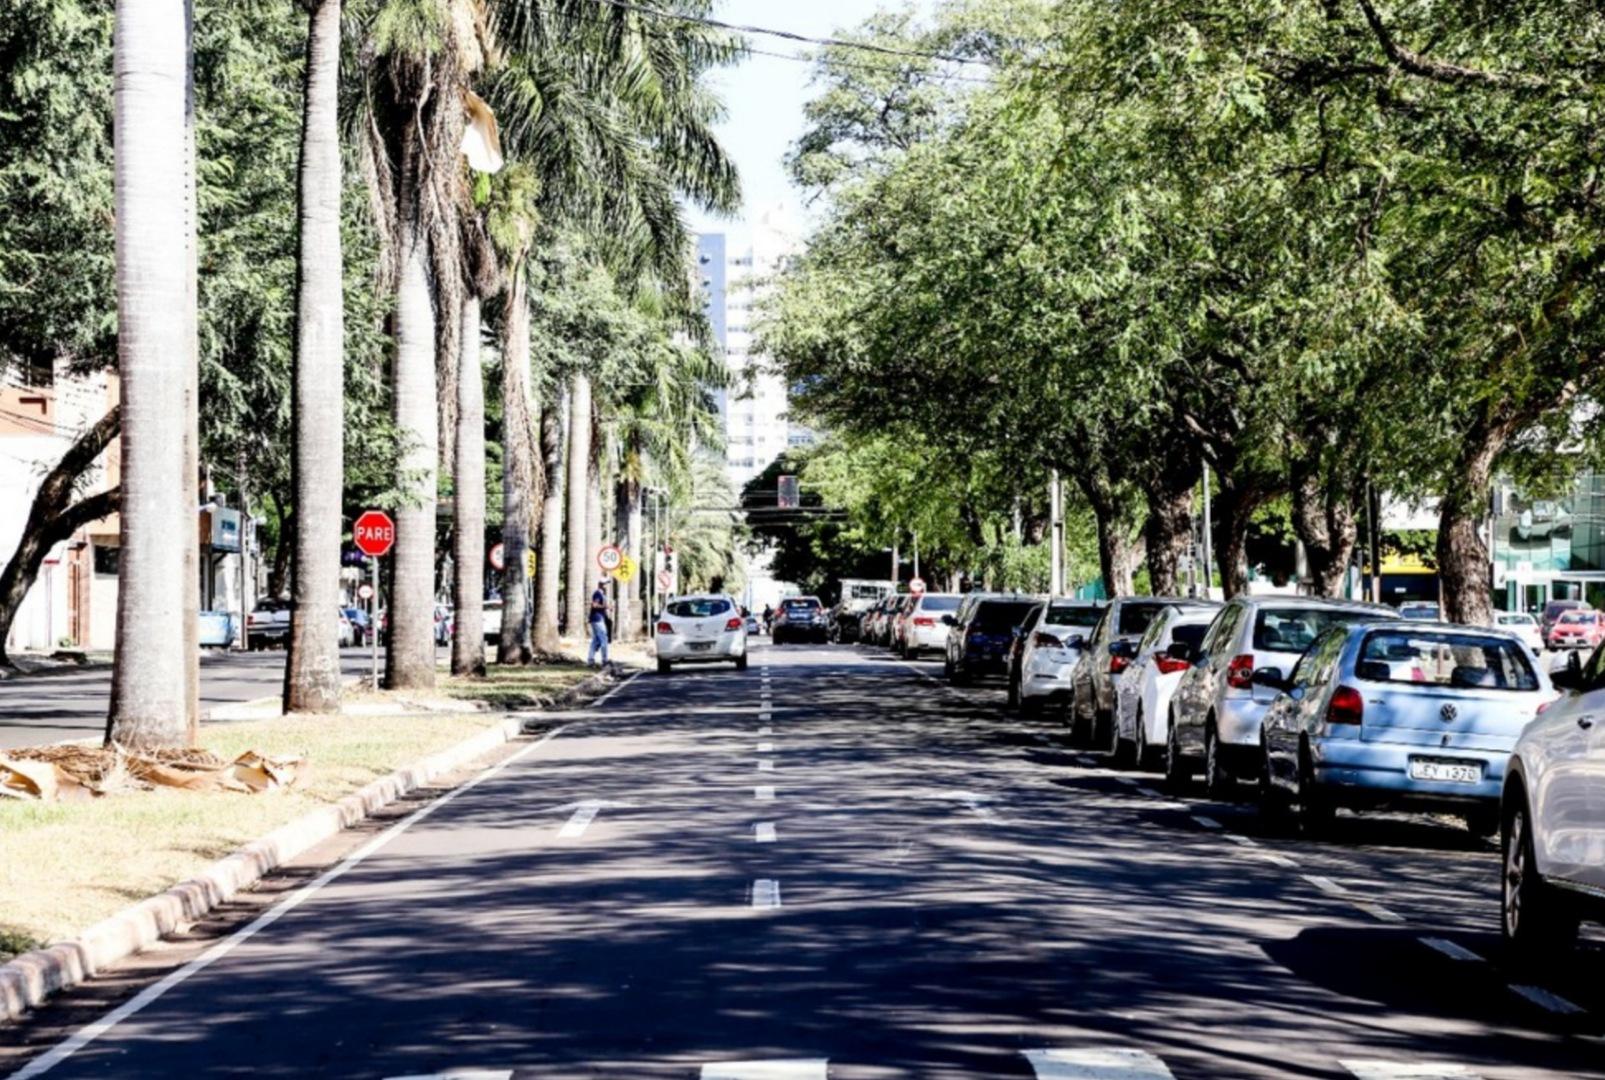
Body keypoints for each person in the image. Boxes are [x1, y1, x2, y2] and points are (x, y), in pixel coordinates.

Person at [587, 579, 611, 667]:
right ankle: (604, 660)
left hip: (597, 619)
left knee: (595, 640)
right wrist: (606, 607)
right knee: (603, 639)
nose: (606, 586)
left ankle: (590, 660)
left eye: (607, 584)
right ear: (601, 584)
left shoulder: (601, 594)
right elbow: (594, 605)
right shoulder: (597, 594)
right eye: (605, 584)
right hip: (598, 619)